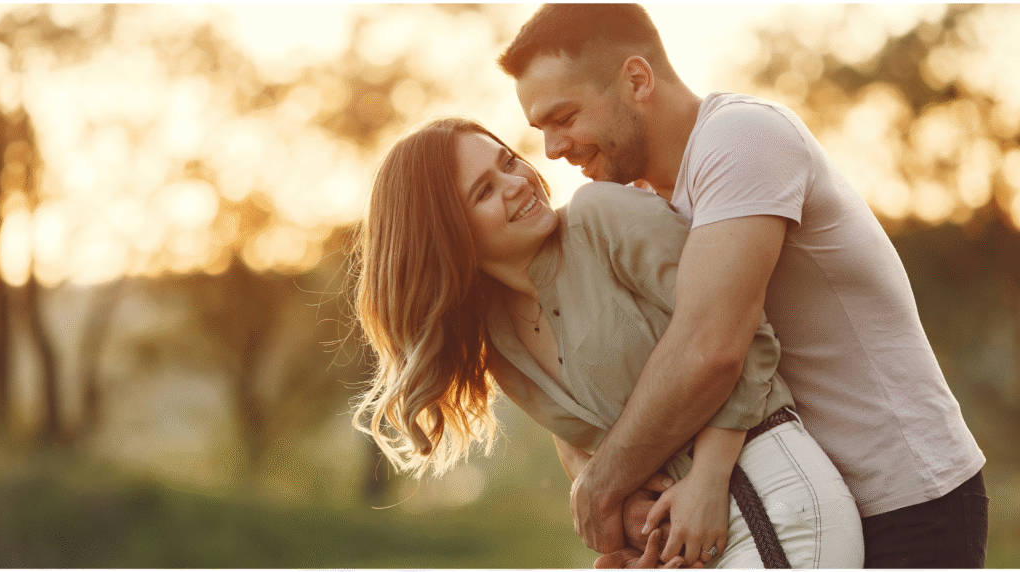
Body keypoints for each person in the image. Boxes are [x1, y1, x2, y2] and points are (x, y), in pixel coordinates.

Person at [497, 3, 988, 568]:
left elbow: (712, 349)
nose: (553, 149)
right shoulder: (645, 207)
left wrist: (598, 489)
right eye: (542, 130)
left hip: (906, 500)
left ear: (636, 80)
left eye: (564, 117)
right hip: (787, 501)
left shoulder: (741, 140)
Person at [353, 116, 864, 567]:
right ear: (448, 235)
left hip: (773, 497)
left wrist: (709, 477)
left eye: (508, 162)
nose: (516, 183)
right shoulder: (500, 346)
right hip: (690, 547)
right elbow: (593, 452)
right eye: (483, 192)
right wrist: (634, 534)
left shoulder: (602, 217)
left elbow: (741, 336)